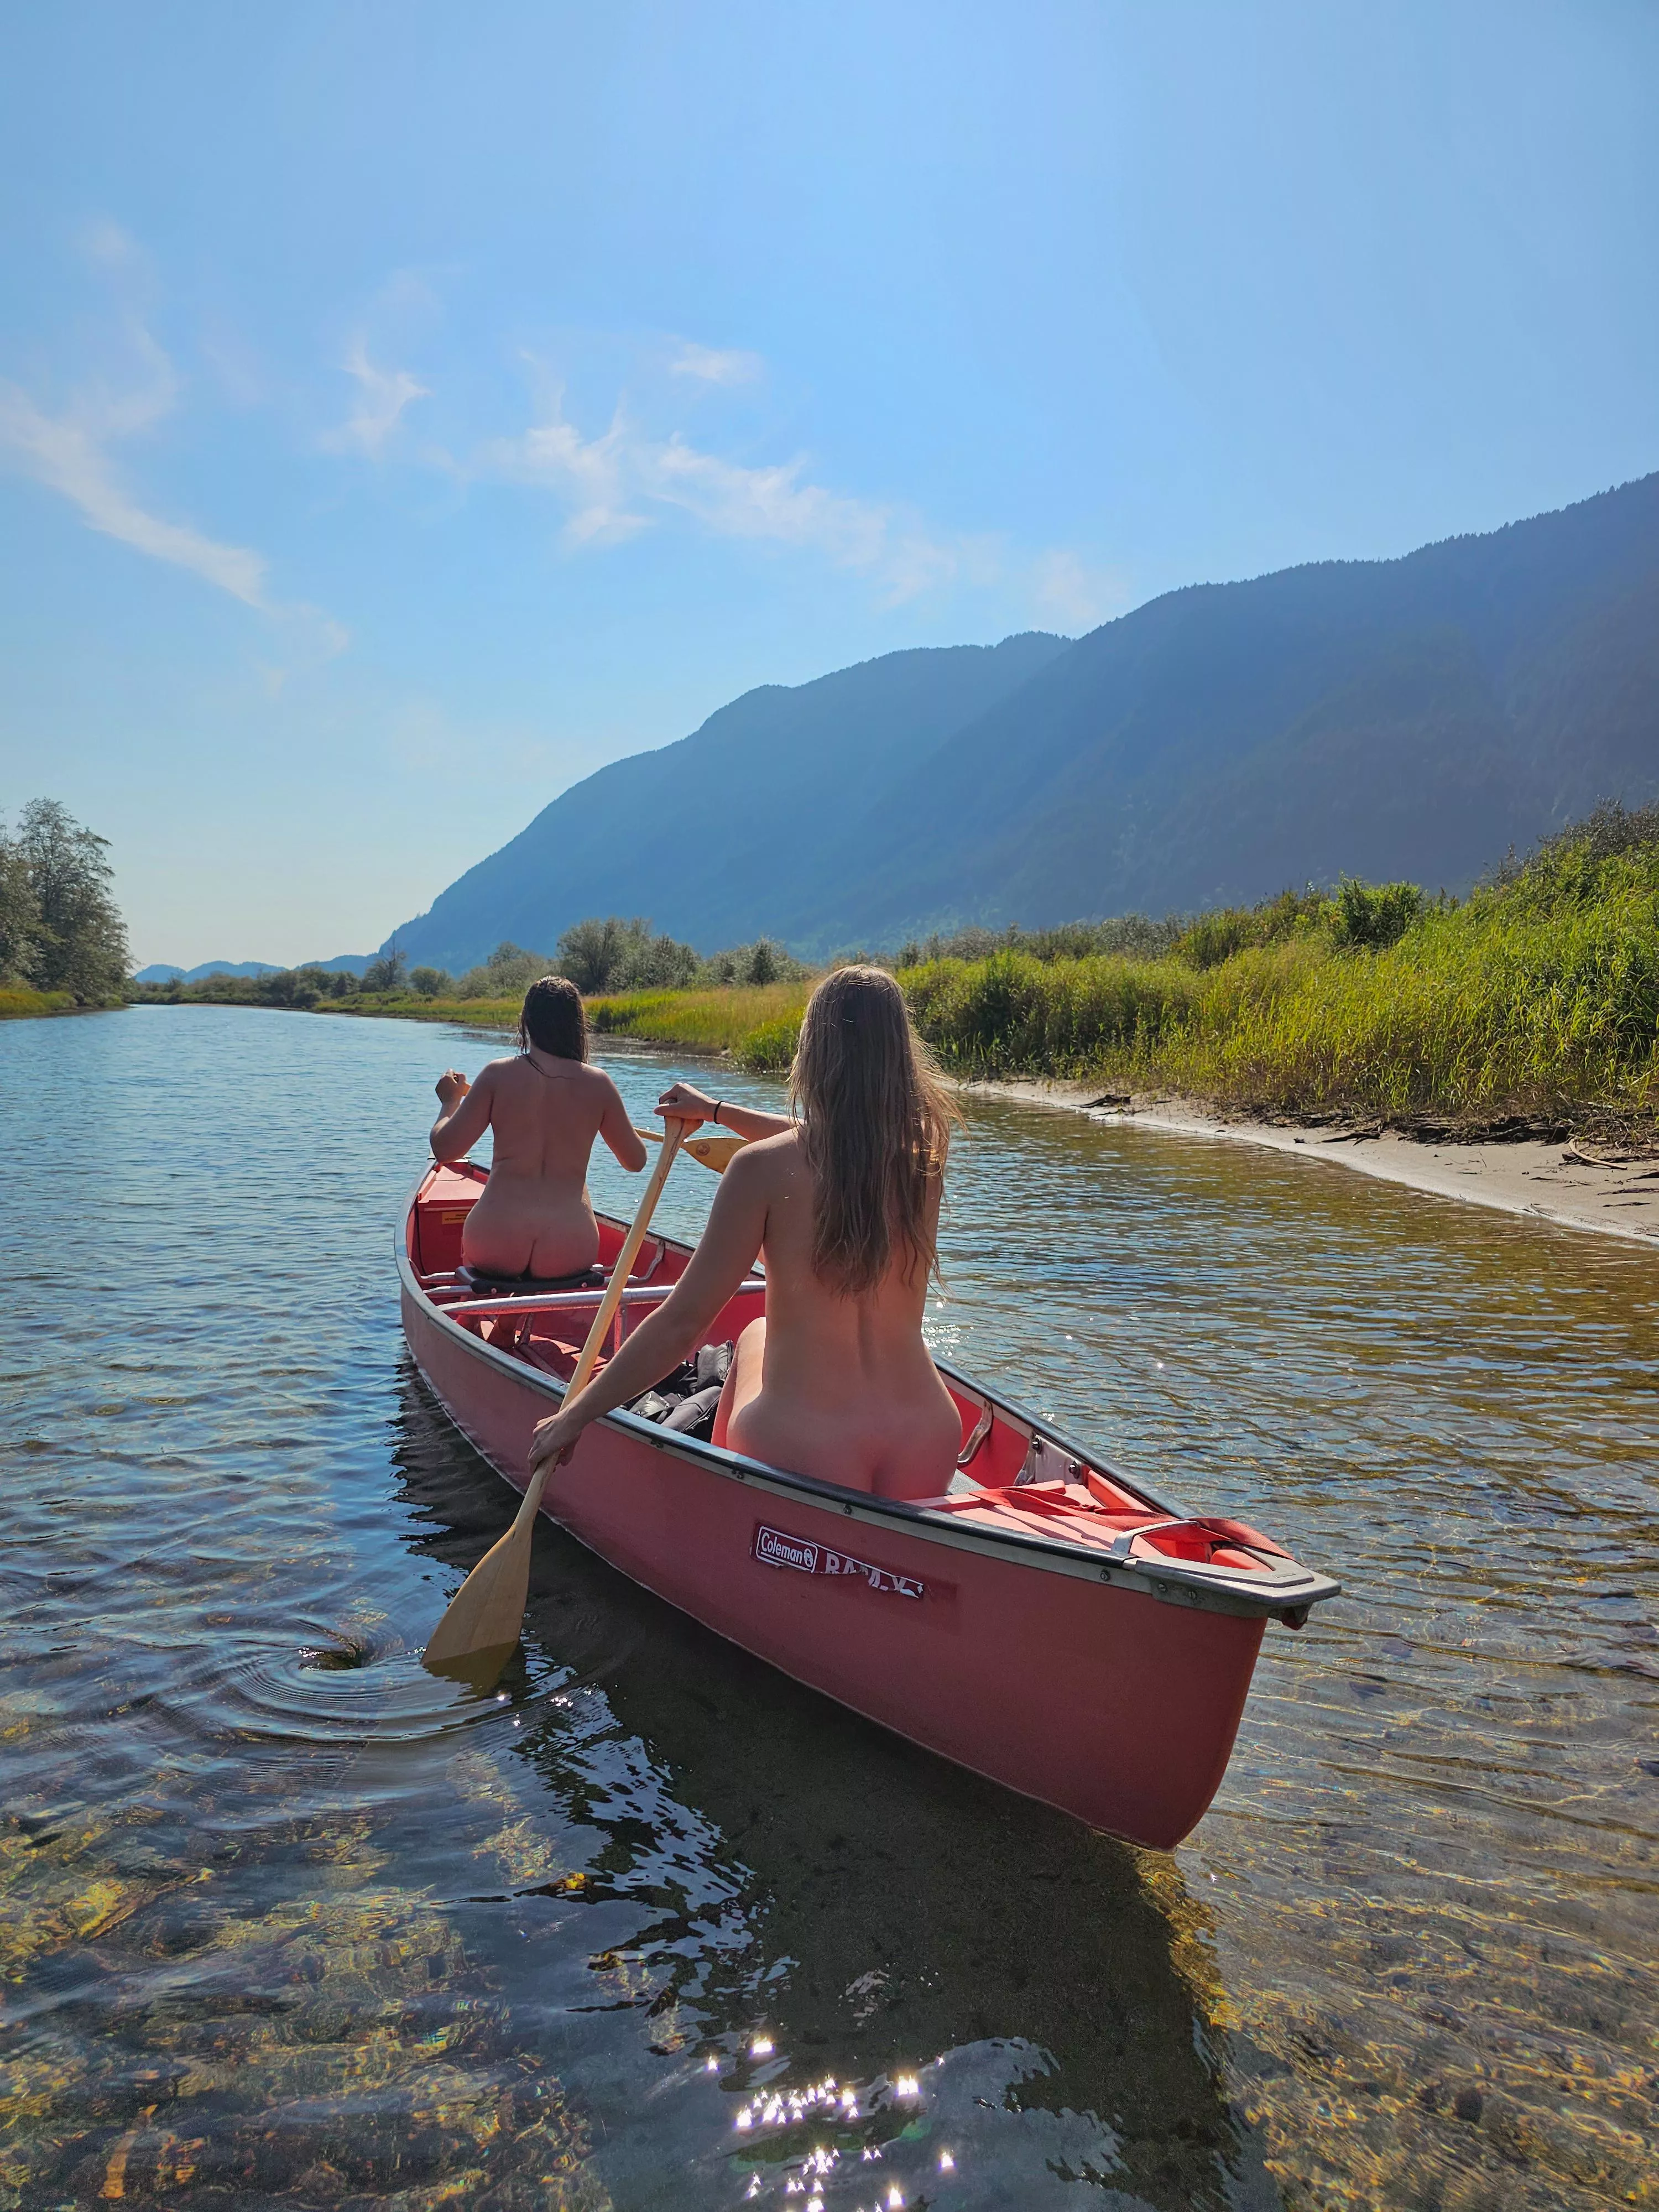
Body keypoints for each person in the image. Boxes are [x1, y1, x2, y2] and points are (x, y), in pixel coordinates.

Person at [526, 965, 964, 1501]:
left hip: (807, 1446)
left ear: (814, 1053)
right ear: (902, 1056)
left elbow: (684, 1323)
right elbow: (839, 1141)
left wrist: (575, 1415)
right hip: (927, 1436)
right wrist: (713, 1111)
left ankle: (722, 1502)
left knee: (754, 1333)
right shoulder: (924, 1166)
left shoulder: (761, 1169)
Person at [430, 974, 646, 1279]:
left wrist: (450, 1102)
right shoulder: (599, 1085)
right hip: (570, 1245)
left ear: (527, 1022)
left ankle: (488, 1323)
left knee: (488, 1271)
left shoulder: (497, 1075)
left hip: (496, 1237)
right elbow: (636, 1161)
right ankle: (514, 1323)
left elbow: (445, 1149)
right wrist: (614, 1119)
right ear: (577, 1025)